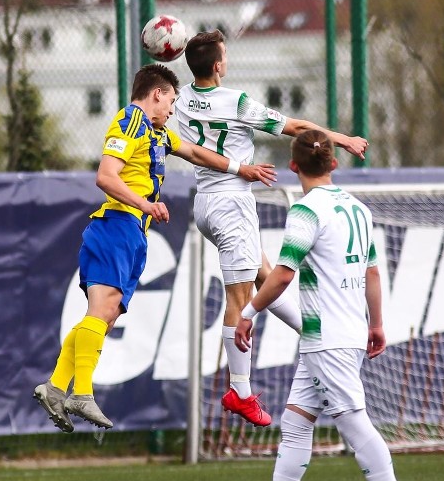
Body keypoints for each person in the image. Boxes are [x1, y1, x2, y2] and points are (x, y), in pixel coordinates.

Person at [33, 64, 276, 433]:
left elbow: (195, 152)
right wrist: (145, 204)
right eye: (171, 101)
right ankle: (80, 392)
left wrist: (241, 168)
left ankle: (55, 387)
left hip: (133, 232)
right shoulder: (130, 119)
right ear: (157, 93)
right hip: (116, 224)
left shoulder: (157, 131)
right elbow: (105, 175)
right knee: (103, 310)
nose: (172, 110)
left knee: (106, 315)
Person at [224, 131, 414, 481]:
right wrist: (376, 323)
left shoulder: (306, 211)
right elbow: (373, 273)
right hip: (333, 335)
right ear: (333, 163)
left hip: (328, 337)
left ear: (294, 166)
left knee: (353, 422)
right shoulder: (359, 209)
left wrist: (249, 312)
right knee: (296, 422)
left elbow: (283, 273)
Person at [175, 29, 369, 426]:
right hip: (232, 203)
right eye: (224, 56)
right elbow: (297, 128)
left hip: (206, 205)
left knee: (264, 274)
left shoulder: (179, 99)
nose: (227, 61)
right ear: (216, 66)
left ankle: (313, 332)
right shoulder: (236, 102)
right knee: (240, 298)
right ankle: (240, 391)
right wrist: (342, 139)